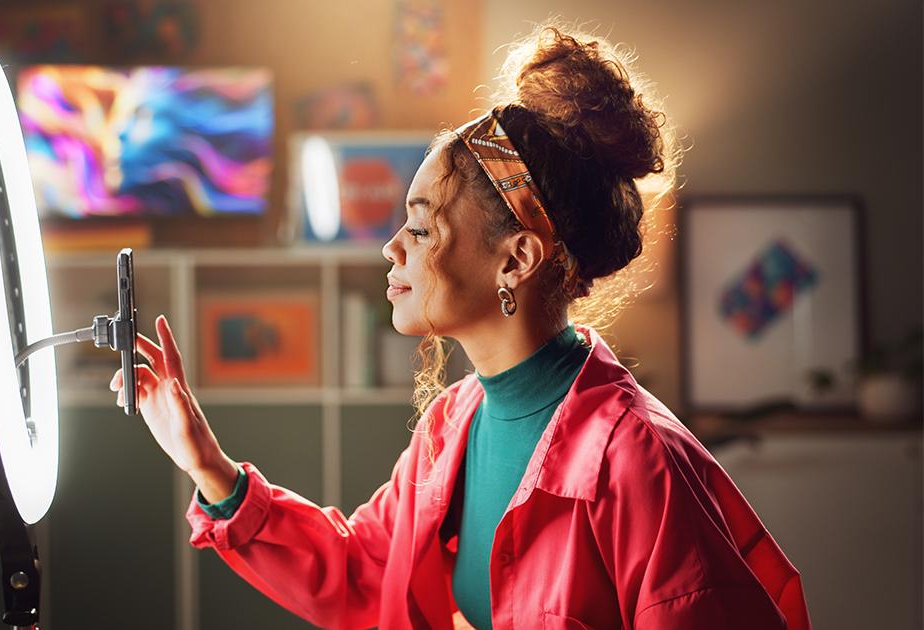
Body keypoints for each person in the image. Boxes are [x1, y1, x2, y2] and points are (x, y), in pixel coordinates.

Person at [110, 21, 811, 630]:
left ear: (517, 260)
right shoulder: (455, 422)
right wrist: (209, 466)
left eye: (420, 225)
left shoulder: (636, 463)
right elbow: (359, 575)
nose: (392, 247)